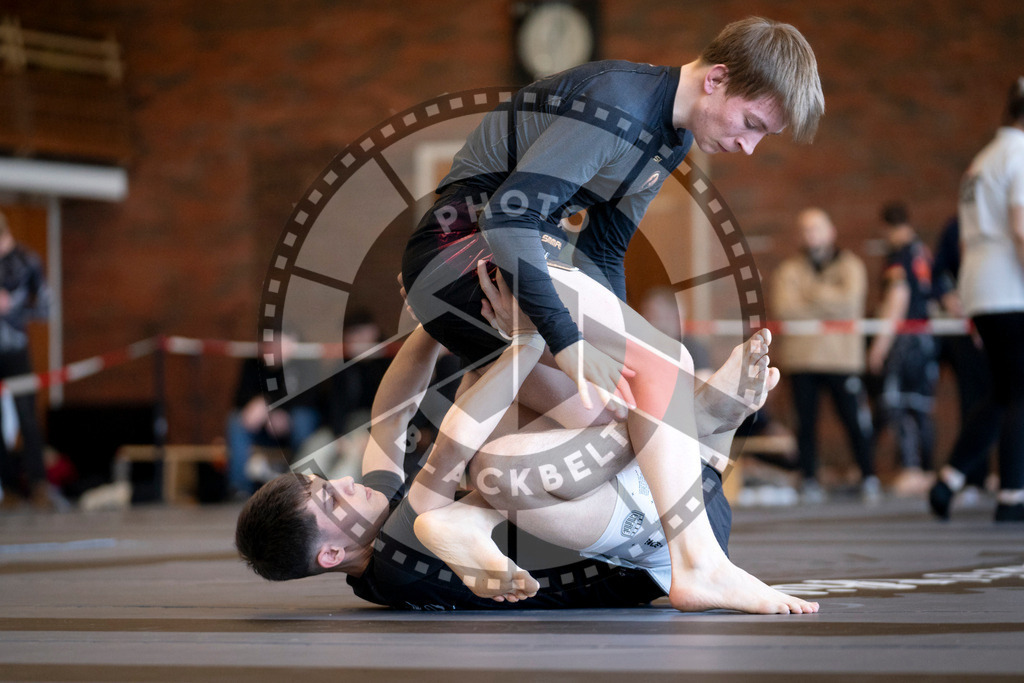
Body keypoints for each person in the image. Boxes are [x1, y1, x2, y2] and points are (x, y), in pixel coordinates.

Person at [400, 16, 824, 615]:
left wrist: (609, 347)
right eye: (752, 124)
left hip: (500, 269)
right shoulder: (616, 104)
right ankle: (698, 564)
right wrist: (573, 342)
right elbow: (509, 219)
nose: (748, 147)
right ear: (717, 79)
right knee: (668, 364)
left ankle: (465, 519)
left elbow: (602, 251)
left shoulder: (671, 139)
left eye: (763, 137)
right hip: (465, 251)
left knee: (609, 410)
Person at [236, 265, 815, 612]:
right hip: (654, 545)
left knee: (483, 385)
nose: (343, 483)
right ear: (331, 555)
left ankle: (691, 420)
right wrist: (529, 337)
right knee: (491, 464)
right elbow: (452, 448)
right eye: (331, 499)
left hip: (636, 491)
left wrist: (435, 321)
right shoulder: (398, 556)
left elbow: (390, 415)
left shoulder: (375, 516)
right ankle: (693, 420)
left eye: (325, 481)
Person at [931, 78, 1024, 522]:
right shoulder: (1019, 155)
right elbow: (1021, 228)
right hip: (1010, 289)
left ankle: (949, 479)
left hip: (981, 287)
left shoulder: (983, 160)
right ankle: (1013, 497)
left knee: (1003, 391)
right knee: (1020, 392)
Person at [771, 207, 877, 503]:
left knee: (854, 419)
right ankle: (809, 478)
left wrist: (809, 294)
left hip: (842, 359)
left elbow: (850, 302)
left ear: (831, 231)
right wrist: (829, 299)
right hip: (802, 360)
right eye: (805, 229)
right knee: (805, 423)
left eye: (816, 227)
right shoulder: (788, 270)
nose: (811, 234)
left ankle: (868, 475)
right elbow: (785, 308)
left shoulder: (851, 266)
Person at [867, 201, 938, 496]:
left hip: (906, 339)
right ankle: (926, 469)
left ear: (887, 227)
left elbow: (898, 299)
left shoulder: (899, 256)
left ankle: (911, 470)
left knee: (899, 404)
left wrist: (880, 345)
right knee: (920, 406)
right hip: (926, 337)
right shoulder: (923, 252)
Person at [226, 332, 322, 498]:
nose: (272, 349)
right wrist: (263, 408)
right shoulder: (253, 363)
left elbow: (311, 398)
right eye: (268, 344)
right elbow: (240, 398)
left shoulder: (304, 363)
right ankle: (239, 488)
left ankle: (302, 483)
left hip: (295, 427)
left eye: (278, 344)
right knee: (236, 421)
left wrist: (277, 409)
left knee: (302, 418)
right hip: (263, 430)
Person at [0, 210, 52, 511]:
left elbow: (46, 308)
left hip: (16, 350)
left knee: (27, 416)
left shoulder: (27, 260)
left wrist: (12, 307)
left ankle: (38, 485)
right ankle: (7, 488)